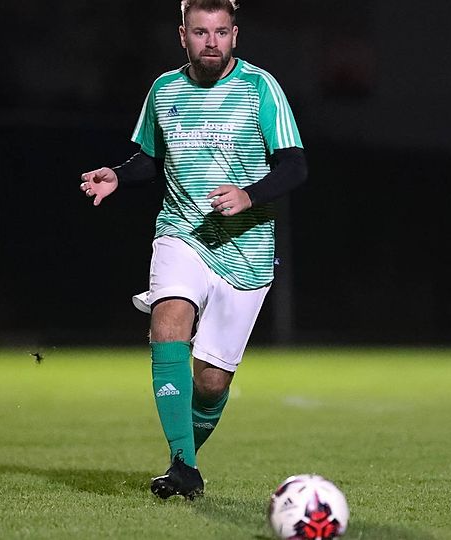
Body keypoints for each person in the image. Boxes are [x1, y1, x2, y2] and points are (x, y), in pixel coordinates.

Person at [79, 0, 306, 500]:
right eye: (201, 32)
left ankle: (183, 463)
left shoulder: (260, 87)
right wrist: (118, 175)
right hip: (181, 233)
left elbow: (295, 165)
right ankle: (185, 466)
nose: (211, 42)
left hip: (246, 249)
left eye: (221, 32)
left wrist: (249, 195)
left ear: (235, 35)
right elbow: (150, 159)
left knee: (211, 383)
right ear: (182, 35)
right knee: (169, 320)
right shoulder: (164, 90)